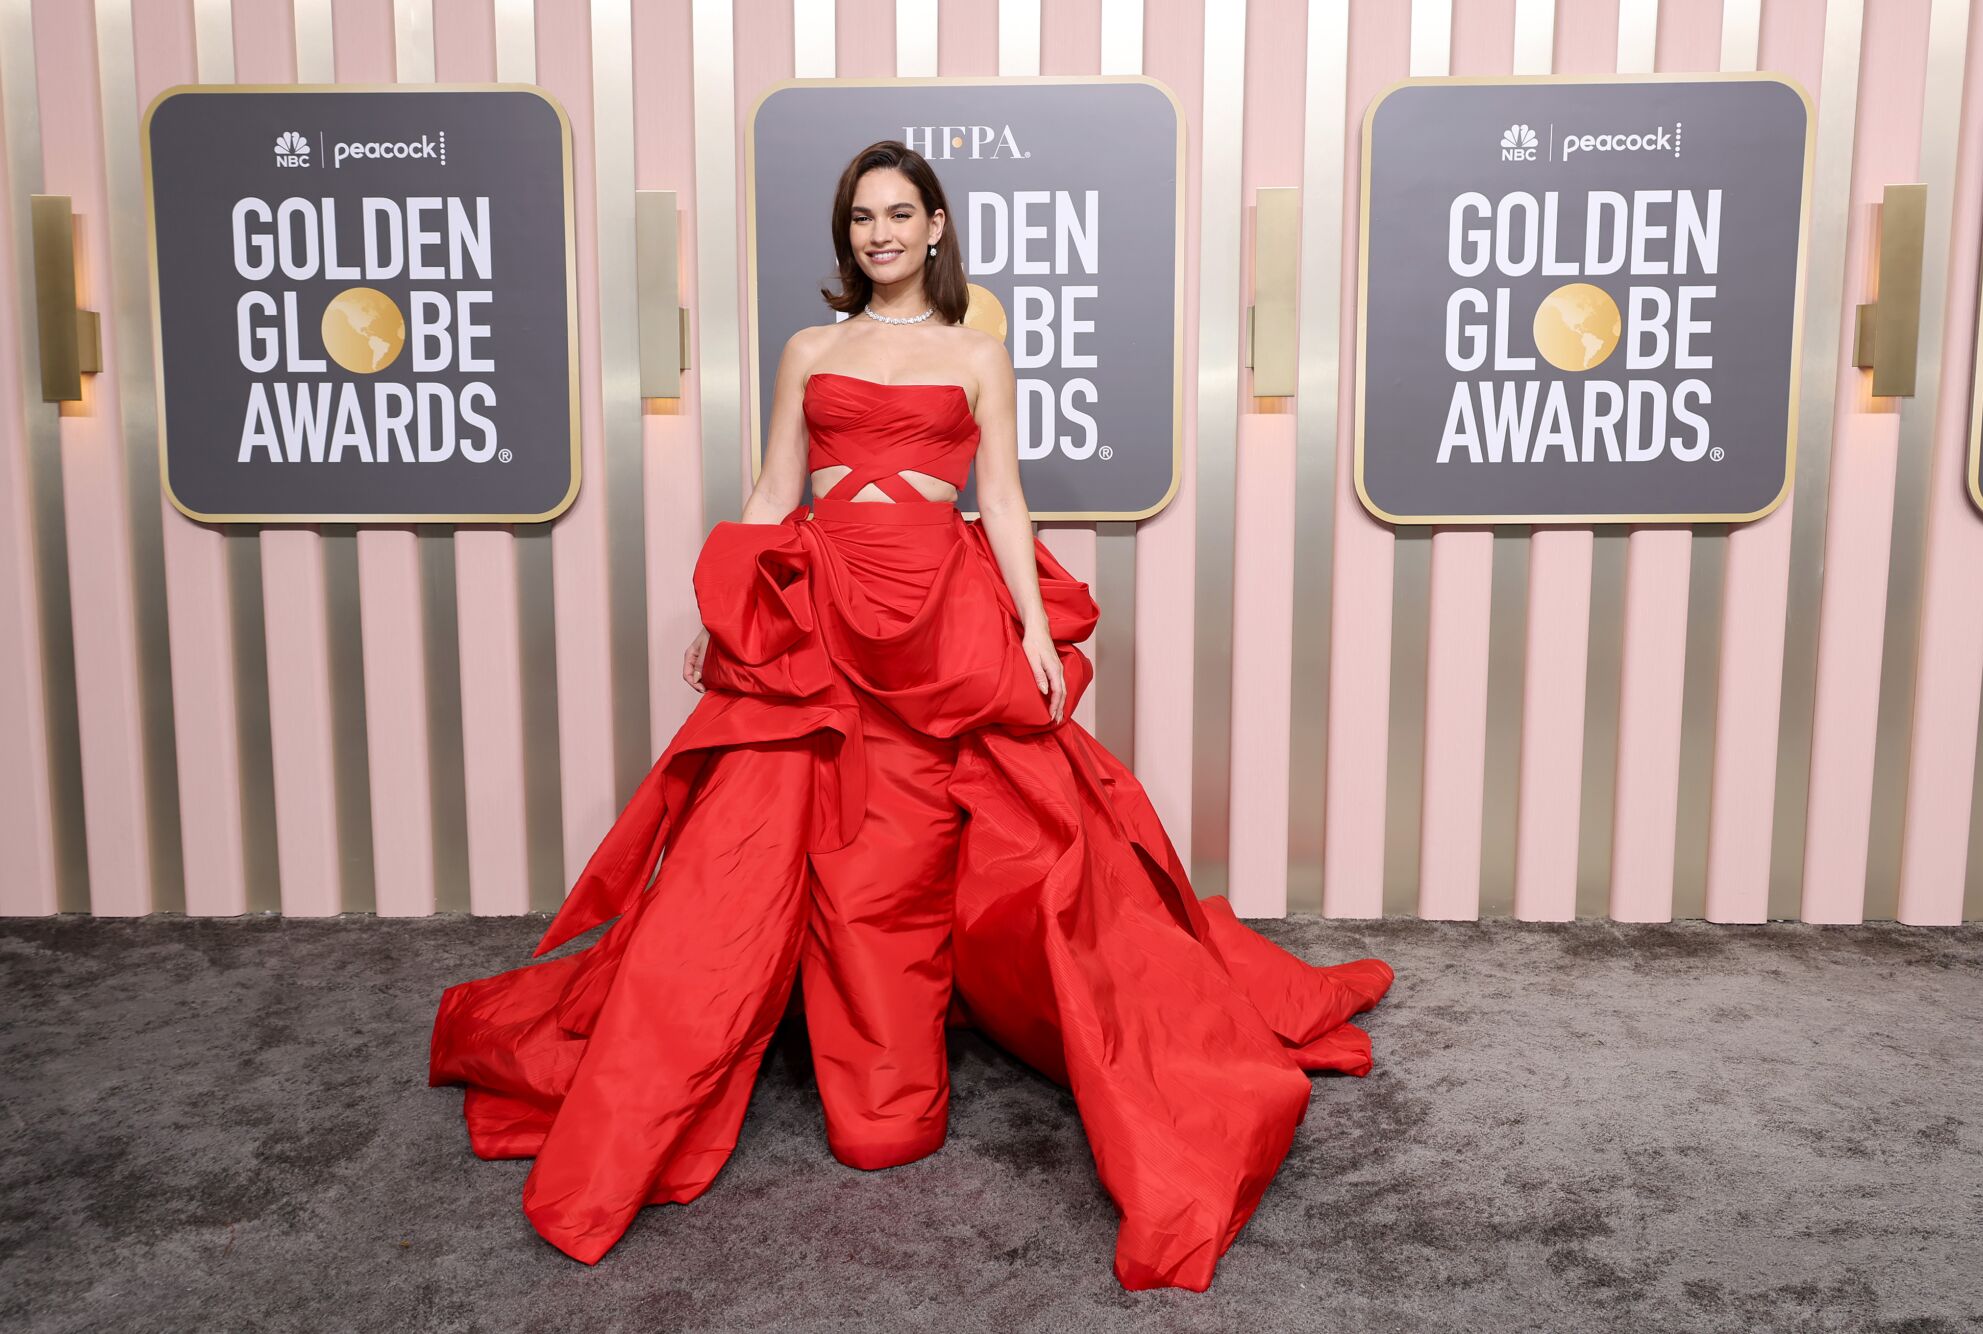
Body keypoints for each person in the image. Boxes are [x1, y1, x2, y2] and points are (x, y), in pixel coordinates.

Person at [428, 139, 1395, 1294]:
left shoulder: (977, 354)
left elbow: (1000, 498)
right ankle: (837, 1058)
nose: (878, 233)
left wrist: (1035, 632)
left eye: (898, 214)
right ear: (846, 237)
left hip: (941, 613)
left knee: (1007, 837)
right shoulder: (808, 348)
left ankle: (974, 1026)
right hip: (829, 605)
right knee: (769, 853)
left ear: (935, 226)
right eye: (859, 218)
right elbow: (774, 490)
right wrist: (735, 600)